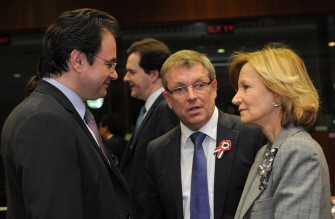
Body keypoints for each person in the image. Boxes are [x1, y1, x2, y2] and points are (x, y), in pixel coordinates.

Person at [1, 8, 134, 219]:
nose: (115, 74)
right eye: (109, 64)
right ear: (78, 60)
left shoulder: (59, 113)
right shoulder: (44, 120)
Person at [146, 50, 266, 219]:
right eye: (180, 89)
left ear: (214, 88)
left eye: (199, 85)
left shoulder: (251, 135)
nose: (192, 96)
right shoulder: (157, 151)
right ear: (168, 99)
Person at [228, 43, 332, 219]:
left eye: (246, 87)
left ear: (277, 92)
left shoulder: (299, 150)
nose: (235, 98)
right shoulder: (267, 150)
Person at [120, 38, 179, 218]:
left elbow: (167, 176)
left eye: (131, 72)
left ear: (153, 74)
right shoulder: (149, 110)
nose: (125, 78)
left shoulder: (166, 109)